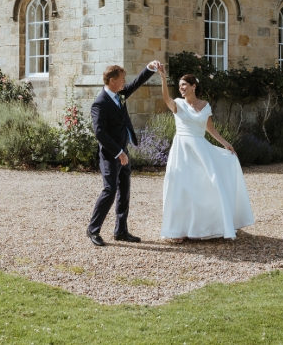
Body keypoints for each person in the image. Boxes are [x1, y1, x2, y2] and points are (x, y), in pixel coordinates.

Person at [156, 63, 255, 241]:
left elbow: (210, 129)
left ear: (193, 86)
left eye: (184, 84)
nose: (181, 88)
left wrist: (226, 144)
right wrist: (163, 78)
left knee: (207, 185)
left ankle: (210, 226)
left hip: (201, 149)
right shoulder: (178, 104)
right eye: (179, 85)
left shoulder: (205, 105)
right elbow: (165, 98)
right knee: (181, 187)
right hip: (182, 150)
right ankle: (178, 230)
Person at [87, 61, 159, 247]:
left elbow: (135, 84)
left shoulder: (120, 94)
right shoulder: (99, 103)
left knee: (124, 191)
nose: (124, 82)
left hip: (123, 151)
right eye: (122, 79)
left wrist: (150, 68)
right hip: (111, 154)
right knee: (110, 190)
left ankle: (121, 231)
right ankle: (93, 229)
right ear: (112, 81)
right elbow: (100, 132)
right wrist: (118, 152)